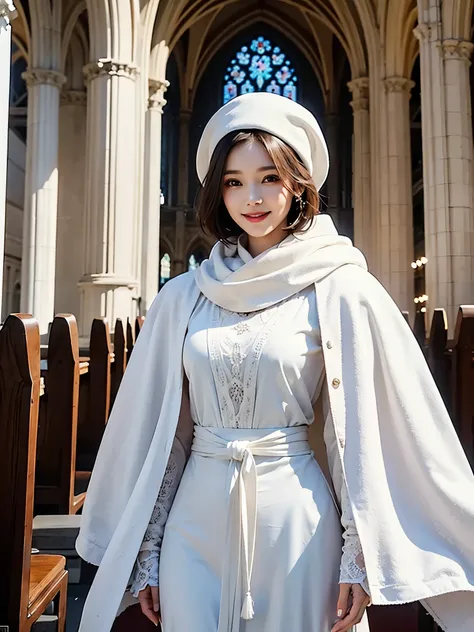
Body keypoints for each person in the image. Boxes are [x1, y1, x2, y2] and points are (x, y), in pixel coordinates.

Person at [76, 92, 474, 632]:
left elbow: (355, 430)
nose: (252, 197)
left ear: (298, 183)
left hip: (299, 524)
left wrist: (360, 552)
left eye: (268, 177)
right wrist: (146, 551)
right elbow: (168, 431)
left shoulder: (340, 287)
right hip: (194, 524)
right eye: (234, 181)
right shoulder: (184, 296)